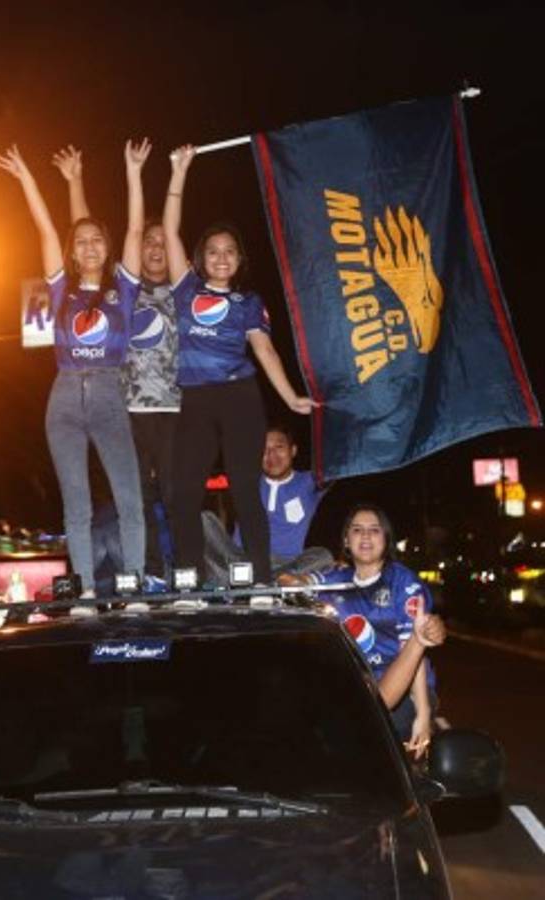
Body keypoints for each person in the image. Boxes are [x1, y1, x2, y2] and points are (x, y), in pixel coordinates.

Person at [0, 139, 151, 597]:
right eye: (80, 240)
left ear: (106, 249)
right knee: (76, 505)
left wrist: (133, 172)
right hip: (63, 398)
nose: (89, 245)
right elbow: (45, 230)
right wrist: (27, 177)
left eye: (97, 239)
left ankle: (135, 585)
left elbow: (138, 230)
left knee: (129, 500)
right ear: (73, 251)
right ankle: (83, 590)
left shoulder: (121, 288)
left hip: (107, 395)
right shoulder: (62, 289)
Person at [163, 145, 315, 585]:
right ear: (200, 257)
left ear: (239, 259)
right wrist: (180, 171)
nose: (222, 258)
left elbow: (266, 352)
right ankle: (188, 578)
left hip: (239, 397)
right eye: (213, 251)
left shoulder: (249, 303)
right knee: (185, 491)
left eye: (230, 251)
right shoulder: (185, 289)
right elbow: (170, 229)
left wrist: (291, 397)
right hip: (195, 398)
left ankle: (263, 579)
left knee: (245, 490)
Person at [54, 145, 178, 588]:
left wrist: (141, 173)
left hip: (158, 402)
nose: (154, 248)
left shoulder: (151, 286)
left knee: (158, 496)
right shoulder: (98, 286)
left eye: (161, 243)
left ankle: (159, 577)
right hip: (109, 396)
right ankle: (106, 581)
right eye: (148, 242)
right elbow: (83, 237)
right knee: (105, 498)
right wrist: (73, 181)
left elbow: (121, 230)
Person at [281, 504, 439, 757]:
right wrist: (294, 583)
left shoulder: (404, 583)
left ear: (386, 539)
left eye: (374, 530)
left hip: (404, 684)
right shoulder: (335, 579)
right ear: (346, 539)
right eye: (357, 530)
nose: (365, 536)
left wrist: (422, 713)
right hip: (354, 686)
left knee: (383, 730)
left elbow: (414, 652)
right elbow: (290, 583)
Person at [202, 423, 333, 585]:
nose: (272, 455)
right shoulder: (247, 481)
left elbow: (339, 463)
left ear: (293, 451)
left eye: (279, 447)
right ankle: (249, 580)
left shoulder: (309, 481)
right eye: (264, 449)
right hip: (242, 561)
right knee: (204, 520)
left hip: (287, 564)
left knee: (323, 555)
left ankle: (266, 582)